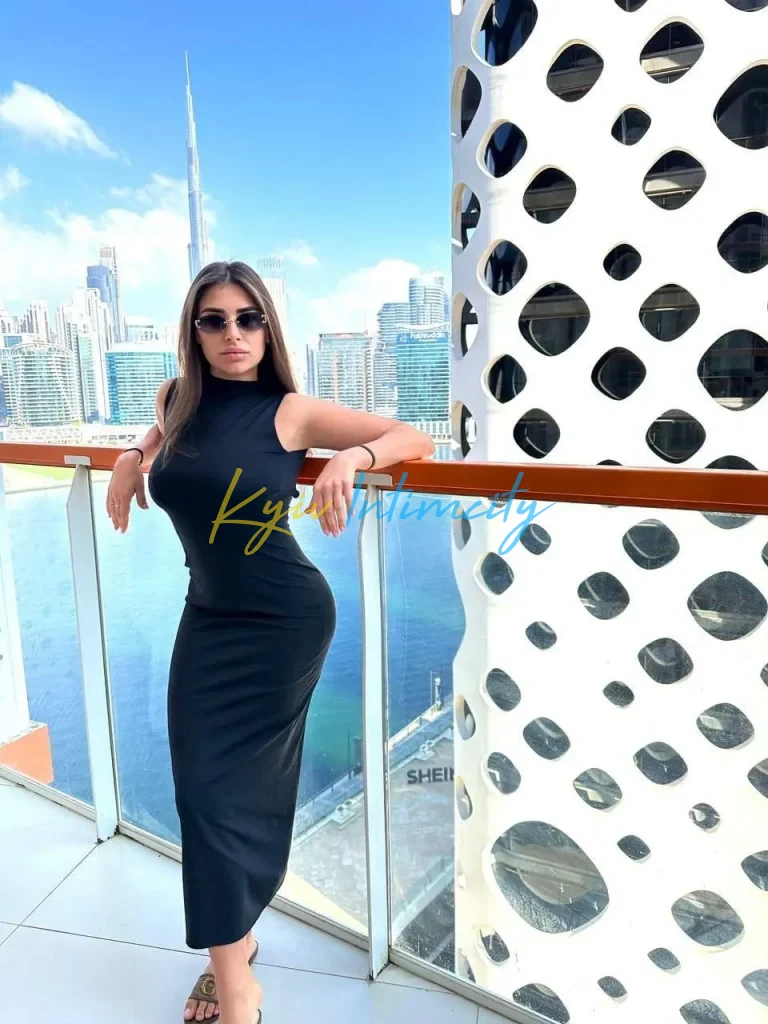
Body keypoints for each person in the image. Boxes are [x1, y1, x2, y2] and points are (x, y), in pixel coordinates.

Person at [105, 261, 434, 1024]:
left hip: (284, 622)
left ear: (268, 329)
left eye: (248, 318)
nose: (234, 333)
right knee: (201, 791)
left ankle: (235, 985)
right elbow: (159, 434)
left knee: (238, 793)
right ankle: (237, 947)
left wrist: (351, 458)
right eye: (215, 320)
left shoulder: (290, 412)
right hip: (207, 615)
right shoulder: (174, 399)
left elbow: (412, 436)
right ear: (194, 332)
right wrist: (130, 457)